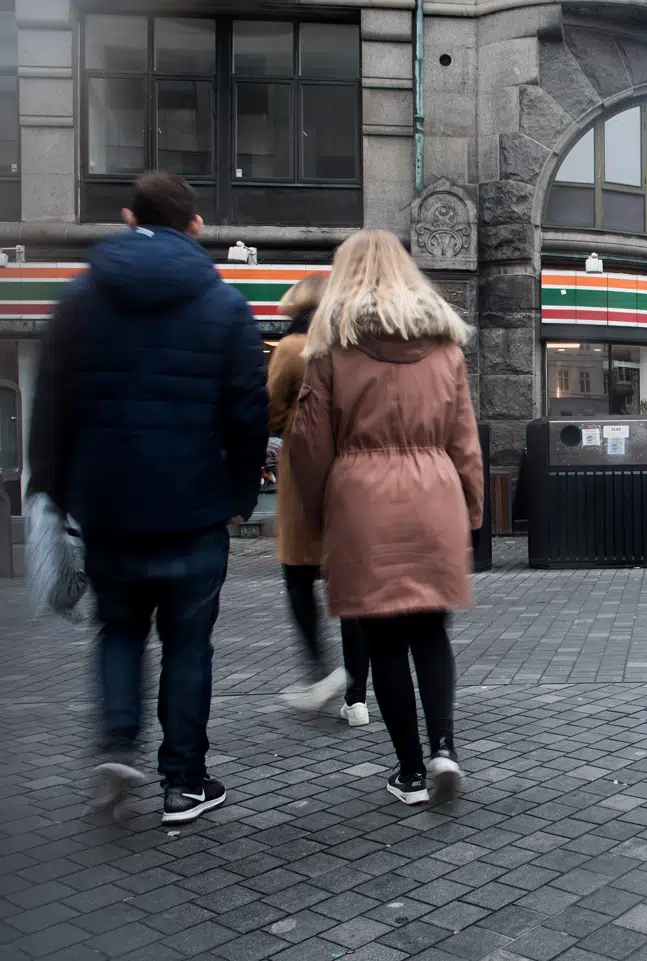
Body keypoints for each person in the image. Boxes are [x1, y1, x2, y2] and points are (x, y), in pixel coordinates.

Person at [26, 172, 268, 824]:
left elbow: (52, 405)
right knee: (190, 645)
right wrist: (241, 492)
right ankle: (183, 782)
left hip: (108, 509)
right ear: (195, 227)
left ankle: (115, 745)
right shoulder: (225, 306)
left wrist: (50, 488)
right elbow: (249, 411)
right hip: (194, 510)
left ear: (131, 219)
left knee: (119, 629)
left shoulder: (80, 298)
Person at [288, 229, 485, 807]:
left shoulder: (330, 352)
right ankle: (445, 746)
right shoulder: (446, 349)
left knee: (384, 640)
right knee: (431, 629)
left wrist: (322, 508)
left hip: (362, 501)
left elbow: (308, 446)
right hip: (434, 497)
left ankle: (410, 772)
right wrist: (470, 510)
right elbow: (465, 441)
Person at [267, 275, 370, 723]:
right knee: (350, 592)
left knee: (298, 579)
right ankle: (358, 698)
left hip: (301, 477)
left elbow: (269, 412)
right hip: (348, 474)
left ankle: (321, 670)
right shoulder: (352, 349)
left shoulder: (290, 350)